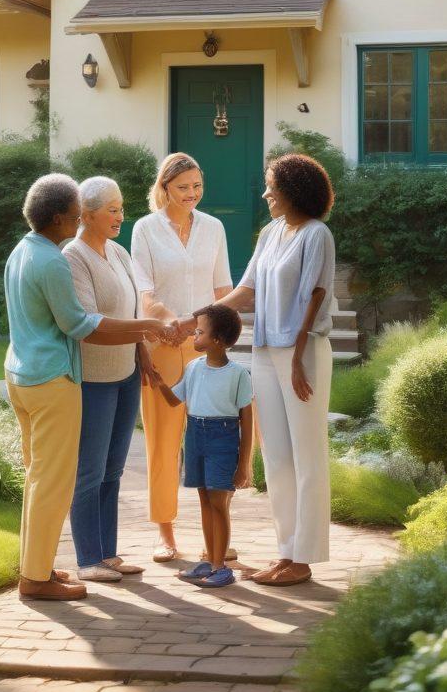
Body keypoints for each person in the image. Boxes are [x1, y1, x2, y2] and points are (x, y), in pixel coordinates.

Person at [4, 173, 171, 602]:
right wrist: (148, 326)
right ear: (59, 216)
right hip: (52, 379)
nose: (79, 219)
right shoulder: (56, 260)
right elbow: (79, 325)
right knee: (55, 483)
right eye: (76, 213)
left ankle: (36, 569)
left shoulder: (23, 251)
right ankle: (36, 578)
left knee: (38, 480)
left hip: (22, 375)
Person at [177, 154, 335, 587]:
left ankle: (305, 558)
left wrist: (300, 357)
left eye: (272, 186)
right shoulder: (270, 233)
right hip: (265, 351)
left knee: (307, 455)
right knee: (278, 457)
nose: (265, 194)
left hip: (302, 354)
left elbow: (315, 296)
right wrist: (194, 320)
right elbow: (245, 292)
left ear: (293, 190)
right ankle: (287, 552)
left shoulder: (317, 235)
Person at [131, 152, 233, 562]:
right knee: (164, 438)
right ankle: (166, 532)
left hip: (208, 346)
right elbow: (145, 293)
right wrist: (172, 324)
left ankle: (217, 531)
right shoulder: (145, 229)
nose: (192, 194)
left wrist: (212, 333)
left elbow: (223, 290)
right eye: (183, 188)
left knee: (215, 436)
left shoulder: (214, 227)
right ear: (164, 189)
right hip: (164, 344)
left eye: (197, 186)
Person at [63, 176, 151, 583]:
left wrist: (143, 353)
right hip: (94, 378)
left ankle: (108, 554)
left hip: (126, 373)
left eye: (121, 207)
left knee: (113, 469)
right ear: (87, 213)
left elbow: (131, 313)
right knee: (90, 471)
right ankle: (87, 559)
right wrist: (148, 327)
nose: (121, 216)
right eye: (112, 209)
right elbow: (89, 324)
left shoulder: (117, 251)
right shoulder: (73, 257)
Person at [150, 304, 253, 589]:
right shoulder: (193, 368)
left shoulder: (238, 375)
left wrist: (243, 464)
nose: (193, 337)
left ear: (218, 340)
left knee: (219, 504)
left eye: (199, 332)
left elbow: (247, 421)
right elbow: (175, 401)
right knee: (205, 501)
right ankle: (210, 560)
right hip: (195, 435)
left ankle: (222, 567)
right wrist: (159, 382)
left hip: (223, 438)